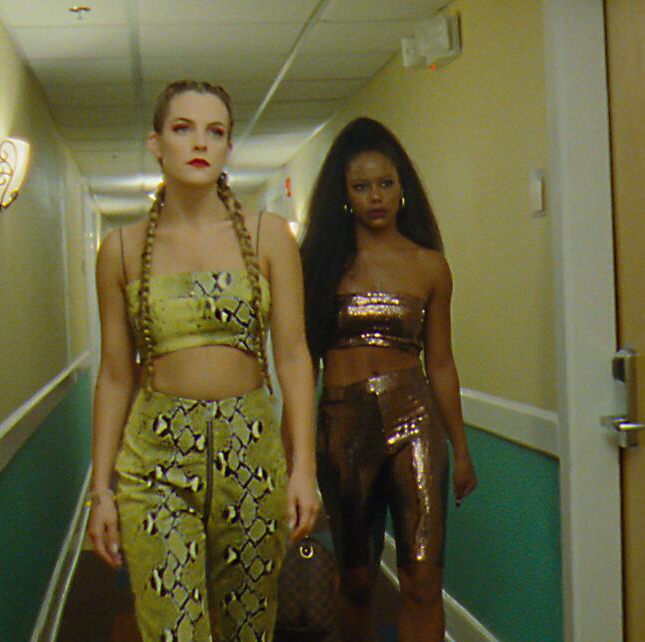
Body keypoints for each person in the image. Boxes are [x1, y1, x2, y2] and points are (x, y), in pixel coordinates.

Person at [86, 79, 320, 642]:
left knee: (248, 627)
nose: (200, 143)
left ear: (228, 149)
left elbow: (292, 356)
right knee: (173, 631)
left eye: (216, 132)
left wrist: (304, 468)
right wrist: (102, 489)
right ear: (156, 142)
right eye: (183, 128)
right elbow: (117, 373)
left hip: (253, 453)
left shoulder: (270, 236)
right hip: (157, 462)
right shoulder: (119, 249)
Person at [299, 117, 477, 642]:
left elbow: (441, 363)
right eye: (361, 186)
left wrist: (461, 448)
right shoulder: (318, 263)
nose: (375, 196)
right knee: (355, 578)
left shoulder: (429, 267)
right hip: (341, 425)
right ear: (344, 195)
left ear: (403, 189)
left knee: (423, 579)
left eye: (385, 183)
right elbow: (300, 362)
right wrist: (297, 460)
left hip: (415, 420)